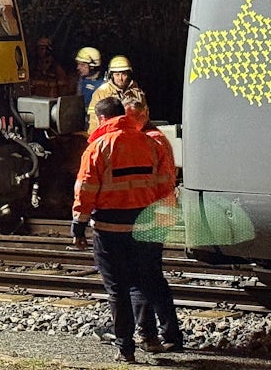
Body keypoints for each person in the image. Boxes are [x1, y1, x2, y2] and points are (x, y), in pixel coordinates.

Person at [72, 96, 181, 362]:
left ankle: (126, 349)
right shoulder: (149, 143)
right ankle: (150, 336)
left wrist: (79, 224)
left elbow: (86, 188)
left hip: (110, 230)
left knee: (117, 290)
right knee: (142, 283)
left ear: (101, 118)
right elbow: (162, 184)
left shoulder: (97, 147)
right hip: (145, 226)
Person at [123, 97, 180, 353]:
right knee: (151, 278)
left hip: (151, 216)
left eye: (135, 116)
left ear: (145, 113)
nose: (131, 121)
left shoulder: (150, 141)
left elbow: (155, 182)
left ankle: (156, 334)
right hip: (157, 214)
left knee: (144, 278)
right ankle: (165, 333)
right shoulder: (153, 139)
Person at [87, 55, 145, 133]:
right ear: (111, 75)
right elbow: (94, 121)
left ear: (128, 75)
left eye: (123, 74)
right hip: (109, 135)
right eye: (117, 74)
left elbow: (144, 117)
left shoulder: (137, 93)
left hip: (132, 135)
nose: (120, 78)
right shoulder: (101, 93)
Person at [75, 46, 105, 121]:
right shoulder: (81, 81)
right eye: (78, 64)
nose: (78, 67)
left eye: (82, 65)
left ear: (92, 66)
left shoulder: (103, 85)